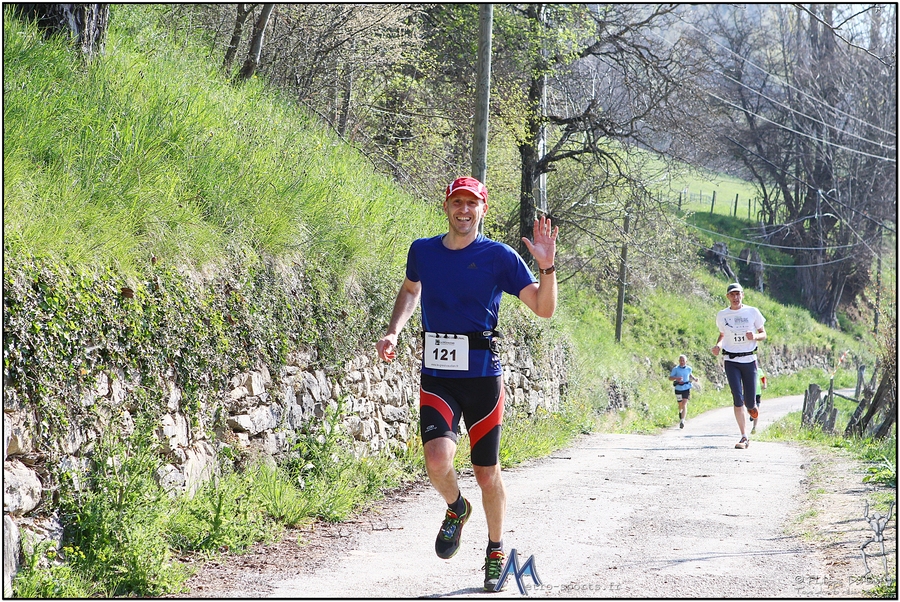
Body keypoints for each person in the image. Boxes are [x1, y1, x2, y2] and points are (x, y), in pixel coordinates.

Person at [375, 176, 558, 592]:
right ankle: (457, 508)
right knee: (437, 460)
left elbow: (543, 308)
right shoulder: (422, 251)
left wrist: (547, 267)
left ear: (483, 209)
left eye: (471, 203)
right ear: (446, 207)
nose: (463, 210)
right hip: (438, 376)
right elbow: (410, 290)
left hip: (482, 378)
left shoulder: (499, 257)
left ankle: (495, 550)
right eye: (457, 202)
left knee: (486, 472)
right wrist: (394, 330)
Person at [711, 282, 767, 449]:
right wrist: (718, 345)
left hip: (749, 360)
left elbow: (763, 333)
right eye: (732, 294)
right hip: (731, 360)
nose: (735, 297)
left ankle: (752, 407)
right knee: (737, 398)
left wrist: (754, 337)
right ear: (728, 297)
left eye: (738, 294)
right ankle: (744, 437)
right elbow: (722, 334)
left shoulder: (752, 312)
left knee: (749, 402)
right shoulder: (722, 315)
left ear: (742, 295)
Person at [668, 354, 698, 429]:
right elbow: (670, 378)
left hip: (686, 388)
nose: (682, 362)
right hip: (678, 388)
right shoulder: (675, 369)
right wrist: (677, 378)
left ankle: (682, 421)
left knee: (684, 403)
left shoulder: (689, 368)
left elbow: (690, 374)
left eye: (683, 360)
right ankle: (680, 412)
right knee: (680, 404)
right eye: (680, 360)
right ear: (679, 361)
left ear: (686, 361)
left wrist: (694, 378)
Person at [750, 365, 767, 434]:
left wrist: (764, 384)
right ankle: (751, 414)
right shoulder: (747, 369)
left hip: (757, 392)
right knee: (750, 407)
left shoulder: (758, 370)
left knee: (756, 409)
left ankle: (754, 427)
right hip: (749, 392)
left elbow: (763, 377)